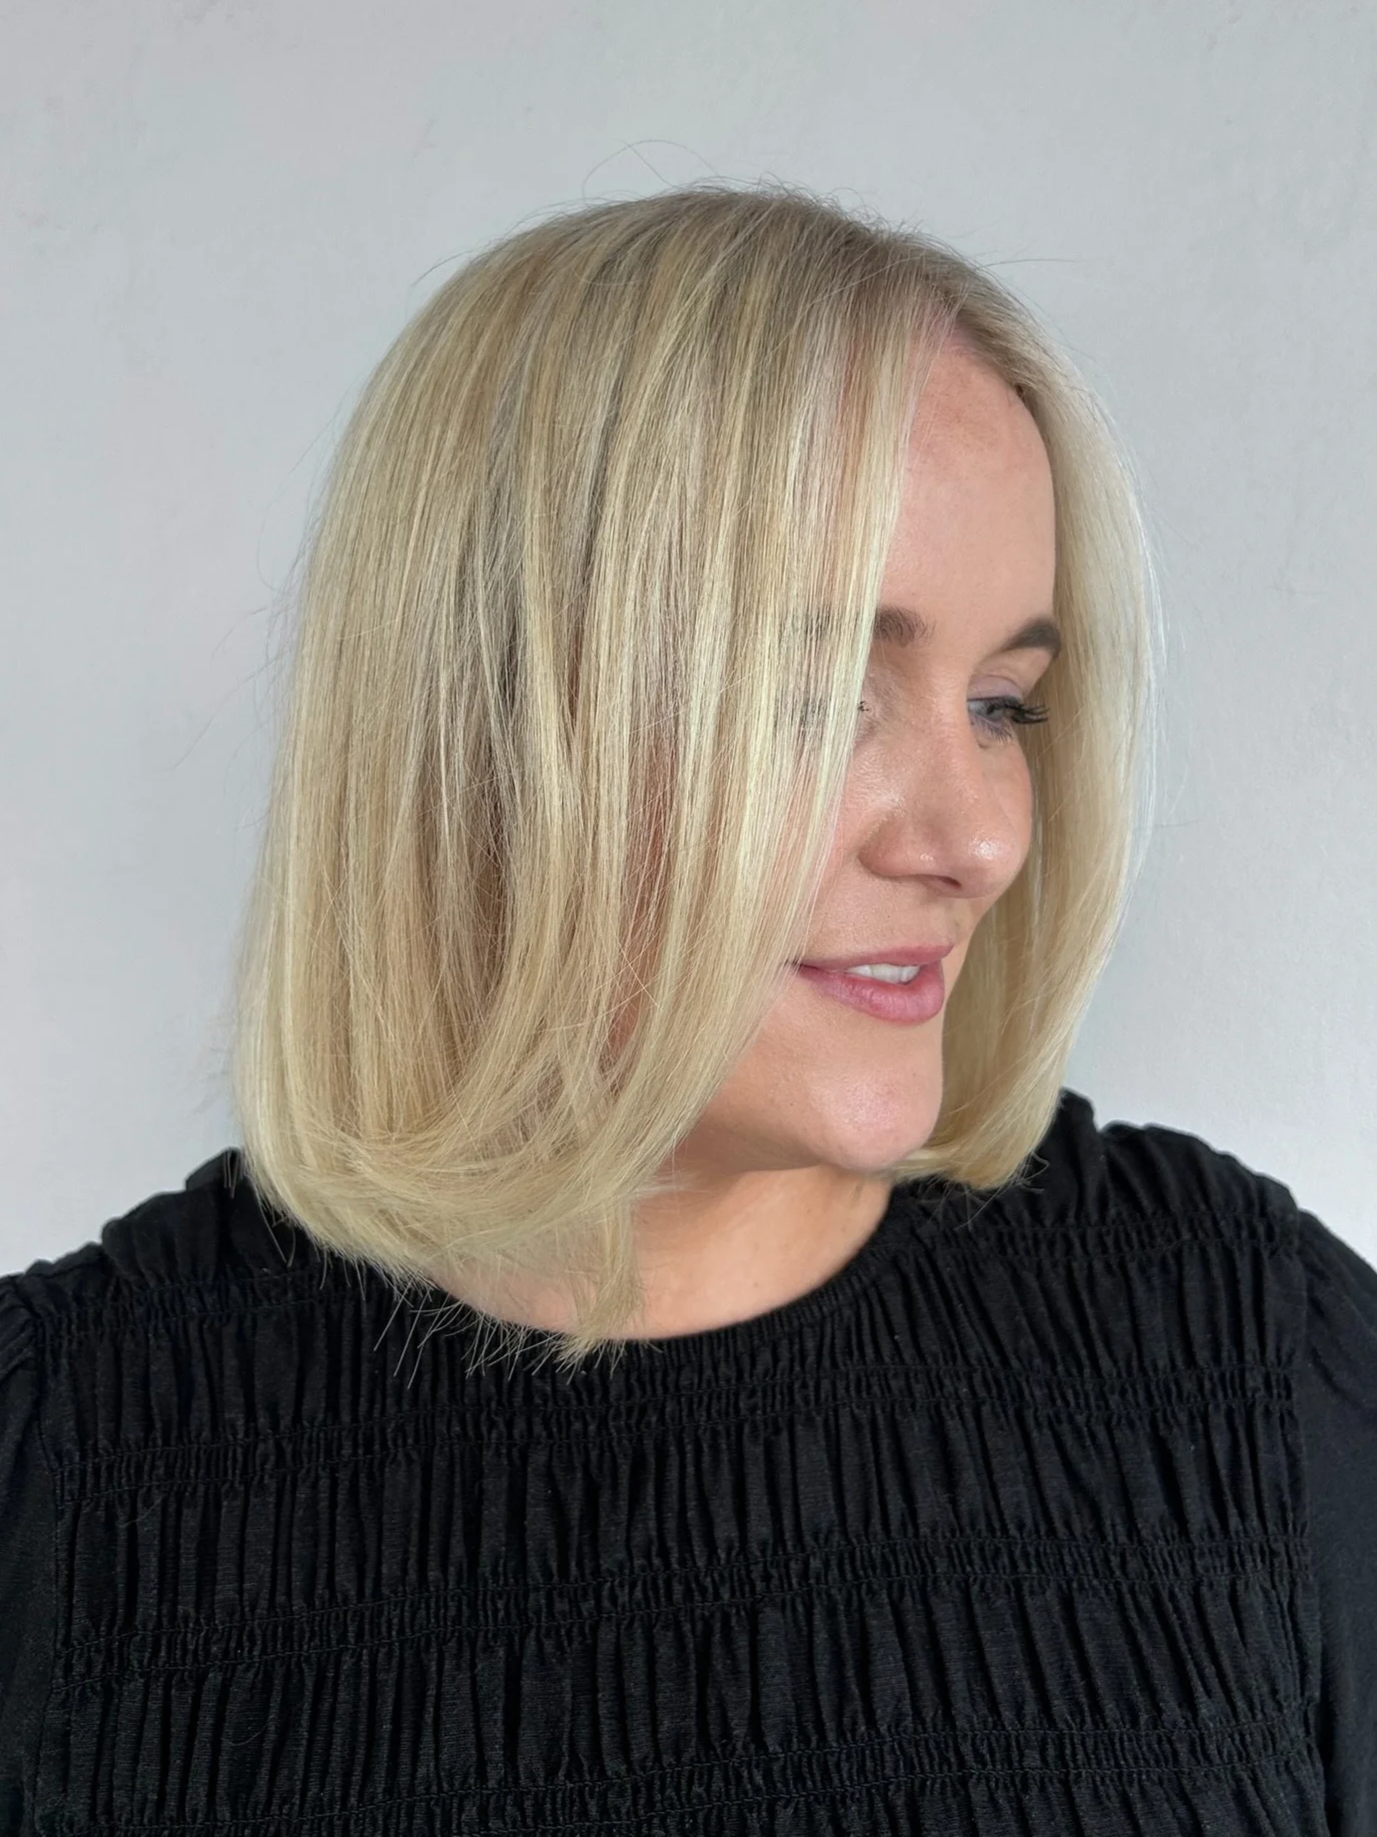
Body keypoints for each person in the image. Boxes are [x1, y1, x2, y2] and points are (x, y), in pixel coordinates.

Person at [1, 181, 1373, 1834]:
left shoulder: (1241, 1354)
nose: (979, 837)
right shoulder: (64, 1463)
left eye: (1005, 703)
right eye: (815, 702)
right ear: (484, 725)